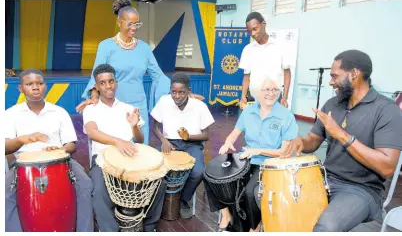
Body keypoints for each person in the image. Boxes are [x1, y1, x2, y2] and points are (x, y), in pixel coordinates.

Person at [283, 50, 402, 232]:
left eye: (334, 76)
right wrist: (301, 142)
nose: (331, 81)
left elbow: (387, 166)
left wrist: (341, 134)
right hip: (325, 179)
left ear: (354, 74)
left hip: (362, 189)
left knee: (326, 227)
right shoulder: (333, 104)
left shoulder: (387, 111)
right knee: (282, 205)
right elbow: (313, 140)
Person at [204, 77, 298, 232]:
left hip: (271, 164)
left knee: (249, 192)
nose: (271, 93)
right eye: (266, 89)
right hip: (246, 159)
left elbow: (283, 152)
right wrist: (227, 143)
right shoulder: (249, 111)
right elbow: (234, 133)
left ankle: (255, 226)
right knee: (210, 176)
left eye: (274, 90)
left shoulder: (286, 116)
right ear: (257, 93)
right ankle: (226, 215)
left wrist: (258, 151)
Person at [5, 69, 93, 232]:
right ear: (21, 89)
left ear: (45, 86)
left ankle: (84, 231)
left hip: (61, 161)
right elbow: (5, 148)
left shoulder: (59, 112)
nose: (35, 87)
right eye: (29, 84)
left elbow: (71, 145)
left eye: (39, 83)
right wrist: (22, 139)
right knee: (4, 195)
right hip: (23, 166)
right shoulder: (11, 114)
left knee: (85, 185)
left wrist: (60, 148)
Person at [83, 64, 167, 232]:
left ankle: (149, 227)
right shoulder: (91, 109)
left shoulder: (128, 108)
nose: (108, 86)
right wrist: (118, 142)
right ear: (97, 86)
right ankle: (109, 230)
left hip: (130, 156)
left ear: (116, 82)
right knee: (99, 191)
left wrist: (134, 126)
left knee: (160, 183)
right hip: (103, 159)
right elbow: (92, 132)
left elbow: (139, 139)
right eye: (103, 82)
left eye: (111, 81)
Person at [76, 0, 171, 145]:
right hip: (112, 105)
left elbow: (158, 76)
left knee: (139, 148)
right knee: (115, 147)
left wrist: (182, 91)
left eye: (137, 23)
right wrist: (94, 95)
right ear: (119, 22)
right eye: (129, 23)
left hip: (138, 106)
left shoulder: (144, 48)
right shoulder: (106, 46)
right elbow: (97, 74)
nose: (134, 28)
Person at [150, 72, 215, 219]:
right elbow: (154, 128)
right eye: (174, 92)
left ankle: (184, 199)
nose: (177, 96)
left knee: (198, 172)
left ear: (189, 91)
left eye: (181, 92)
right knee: (156, 168)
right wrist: (163, 140)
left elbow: (206, 135)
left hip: (192, 144)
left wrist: (189, 136)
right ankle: (159, 201)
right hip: (170, 143)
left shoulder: (199, 106)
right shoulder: (164, 102)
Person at [239, 12, 291, 109]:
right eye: (250, 31)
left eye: (255, 29)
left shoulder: (279, 46)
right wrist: (243, 96)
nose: (253, 34)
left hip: (274, 100)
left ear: (263, 24)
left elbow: (287, 73)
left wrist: (285, 98)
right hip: (253, 100)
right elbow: (246, 77)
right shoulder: (247, 49)